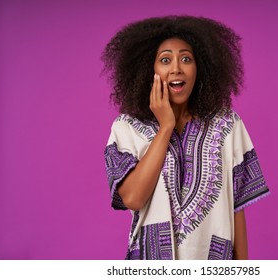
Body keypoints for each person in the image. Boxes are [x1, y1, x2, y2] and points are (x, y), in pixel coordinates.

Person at [102, 15, 269, 260]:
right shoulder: (127, 127)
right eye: (165, 59)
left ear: (200, 68)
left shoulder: (228, 125)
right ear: (149, 69)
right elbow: (133, 198)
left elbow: (237, 208)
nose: (176, 68)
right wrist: (166, 126)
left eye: (186, 59)